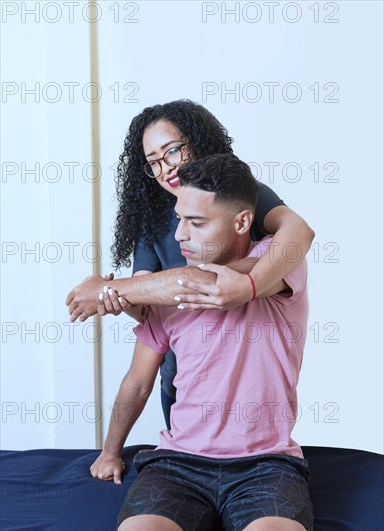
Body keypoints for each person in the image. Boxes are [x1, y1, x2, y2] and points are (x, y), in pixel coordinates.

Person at [90, 154, 313, 531]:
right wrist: (110, 452)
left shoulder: (278, 266)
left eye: (196, 222)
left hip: (265, 466)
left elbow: (202, 280)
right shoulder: (166, 297)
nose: (179, 236)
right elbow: (138, 383)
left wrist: (112, 289)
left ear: (242, 222)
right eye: (179, 219)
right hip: (179, 465)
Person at [66, 99, 315, 428]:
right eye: (152, 162)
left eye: (171, 151)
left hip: (247, 379)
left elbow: (299, 231)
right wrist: (118, 299)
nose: (165, 168)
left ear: (198, 142)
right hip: (181, 377)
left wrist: (248, 285)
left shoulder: (238, 194)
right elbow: (145, 309)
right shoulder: (151, 220)